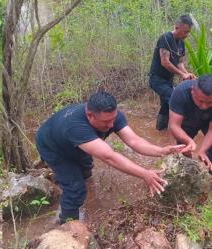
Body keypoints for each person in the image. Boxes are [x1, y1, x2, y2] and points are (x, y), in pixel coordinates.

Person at [35, 91, 184, 224]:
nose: (111, 125)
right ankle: (66, 225)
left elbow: (134, 141)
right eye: (106, 122)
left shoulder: (111, 115)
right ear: (89, 115)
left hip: (76, 142)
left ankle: (81, 180)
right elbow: (109, 156)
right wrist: (144, 174)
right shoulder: (75, 126)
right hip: (53, 147)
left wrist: (162, 150)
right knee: (75, 190)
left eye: (113, 119)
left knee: (86, 170)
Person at [149, 14, 196, 130]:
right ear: (177, 27)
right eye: (185, 32)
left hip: (168, 80)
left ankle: (160, 130)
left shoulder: (181, 43)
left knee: (166, 104)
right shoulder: (165, 38)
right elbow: (164, 62)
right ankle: (181, 131)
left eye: (188, 32)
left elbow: (179, 63)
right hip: (157, 80)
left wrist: (187, 74)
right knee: (175, 100)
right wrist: (182, 74)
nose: (186, 35)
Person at [168, 74, 212, 173]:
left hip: (207, 120)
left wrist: (202, 150)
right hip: (187, 120)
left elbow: (211, 130)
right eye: (200, 101)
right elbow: (174, 125)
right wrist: (189, 141)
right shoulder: (181, 92)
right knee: (183, 152)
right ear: (192, 91)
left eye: (209, 102)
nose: (204, 106)